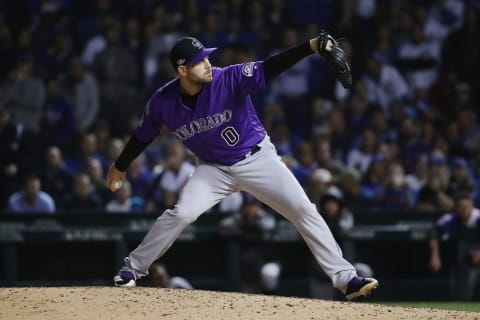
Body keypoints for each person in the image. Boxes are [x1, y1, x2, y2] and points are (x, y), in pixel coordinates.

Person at [106, 35, 378, 300]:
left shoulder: (228, 77)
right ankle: (133, 267)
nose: (208, 63)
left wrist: (309, 47)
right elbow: (142, 136)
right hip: (212, 169)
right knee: (182, 213)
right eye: (200, 61)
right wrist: (119, 167)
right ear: (182, 70)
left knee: (303, 210)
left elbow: (270, 66)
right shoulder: (162, 102)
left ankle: (346, 279)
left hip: (257, 158)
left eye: (207, 58)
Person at [429, 192, 480, 300]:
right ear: (456, 208)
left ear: (472, 207)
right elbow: (434, 231)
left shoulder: (477, 217)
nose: (465, 210)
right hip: (462, 258)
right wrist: (435, 256)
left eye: (467, 207)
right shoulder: (452, 218)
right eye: (461, 207)